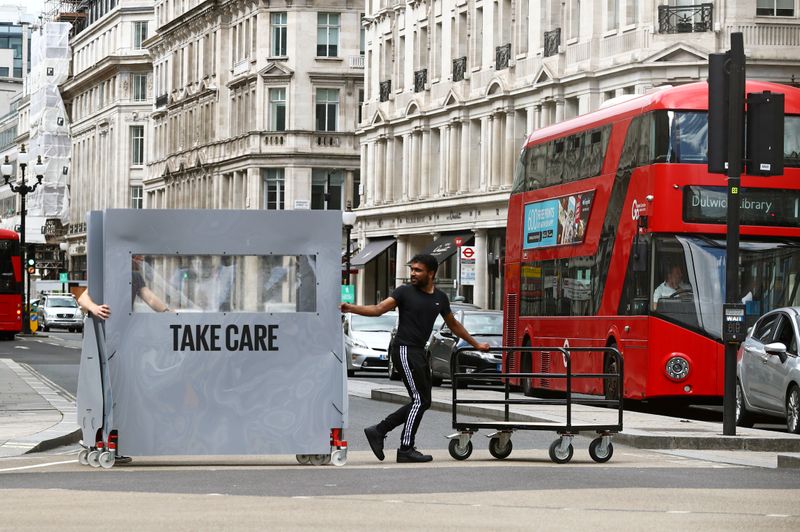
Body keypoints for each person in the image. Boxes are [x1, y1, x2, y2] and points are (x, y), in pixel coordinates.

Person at [341, 253, 490, 463]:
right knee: (419, 400)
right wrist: (350, 307)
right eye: (412, 269)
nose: (412, 273)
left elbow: (454, 325)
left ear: (431, 273)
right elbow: (378, 309)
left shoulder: (440, 298)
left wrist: (476, 345)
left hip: (420, 352)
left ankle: (379, 430)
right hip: (403, 349)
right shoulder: (404, 292)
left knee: (424, 401)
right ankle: (405, 448)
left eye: (418, 270)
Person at [78, 255, 170, 319]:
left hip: (126, 323)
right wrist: (95, 308)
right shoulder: (108, 275)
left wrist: (166, 312)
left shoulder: (135, 276)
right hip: (106, 323)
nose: (141, 261)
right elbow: (82, 298)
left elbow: (150, 298)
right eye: (137, 259)